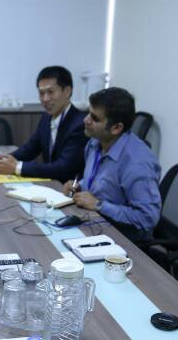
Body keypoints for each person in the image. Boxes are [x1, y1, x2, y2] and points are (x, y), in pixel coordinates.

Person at [63, 87, 161, 242]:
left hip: (125, 238)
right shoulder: (94, 143)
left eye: (95, 118)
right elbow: (101, 180)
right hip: (95, 221)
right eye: (88, 113)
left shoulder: (137, 163)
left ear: (116, 128)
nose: (85, 120)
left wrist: (98, 205)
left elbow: (147, 218)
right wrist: (79, 185)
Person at [0, 66, 86, 182]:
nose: (45, 99)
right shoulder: (46, 117)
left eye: (50, 92)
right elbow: (30, 149)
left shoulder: (80, 124)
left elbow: (63, 168)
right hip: (52, 184)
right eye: (41, 93)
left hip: (69, 188)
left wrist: (17, 167)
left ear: (67, 91)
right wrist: (2, 160)